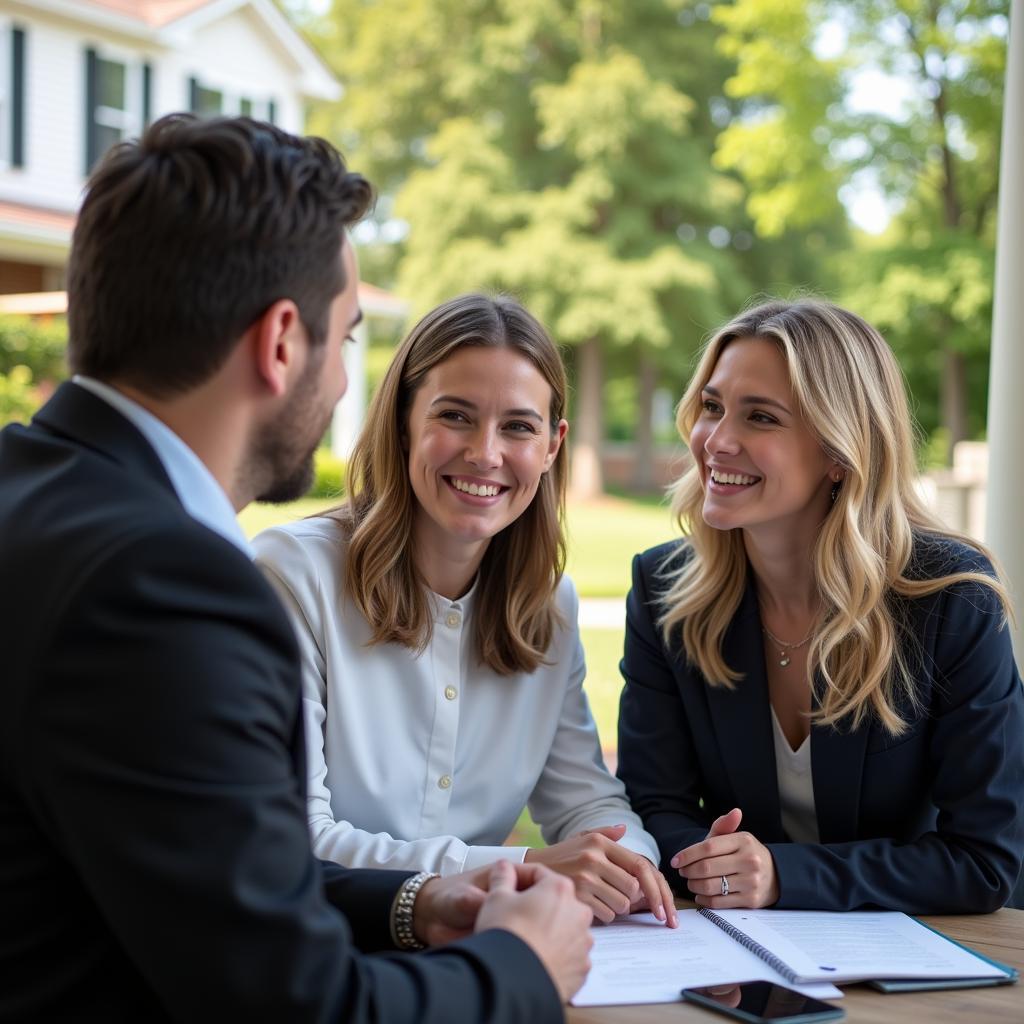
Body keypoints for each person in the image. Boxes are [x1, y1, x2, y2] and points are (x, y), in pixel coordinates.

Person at [0, 114, 594, 1023]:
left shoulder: (31, 495)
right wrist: (520, 967)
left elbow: (205, 884)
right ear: (283, 342)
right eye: (348, 338)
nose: (346, 381)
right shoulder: (165, 586)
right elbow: (293, 1004)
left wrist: (411, 901)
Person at [253, 293, 677, 928]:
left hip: (475, 956)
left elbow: (588, 800)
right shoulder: (293, 575)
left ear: (553, 444)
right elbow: (296, 837)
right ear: (402, 422)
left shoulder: (547, 604)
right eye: (455, 416)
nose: (486, 453)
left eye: (518, 426)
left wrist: (630, 862)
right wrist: (526, 867)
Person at [616, 298, 1024, 915]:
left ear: (839, 452)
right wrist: (713, 865)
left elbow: (987, 860)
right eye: (711, 407)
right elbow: (654, 805)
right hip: (730, 949)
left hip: (924, 960)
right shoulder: (664, 589)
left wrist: (783, 875)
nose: (717, 441)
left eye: (761, 418)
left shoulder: (952, 597)